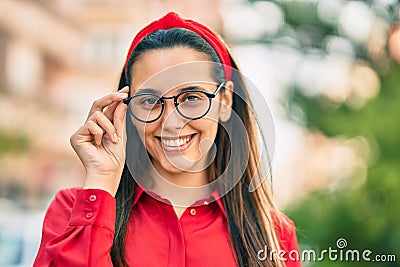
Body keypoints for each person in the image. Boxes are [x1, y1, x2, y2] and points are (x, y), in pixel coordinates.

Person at [33, 12, 301, 267]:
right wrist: (102, 179)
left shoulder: (274, 233)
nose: (171, 122)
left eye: (192, 98)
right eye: (149, 101)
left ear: (225, 101)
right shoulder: (75, 213)